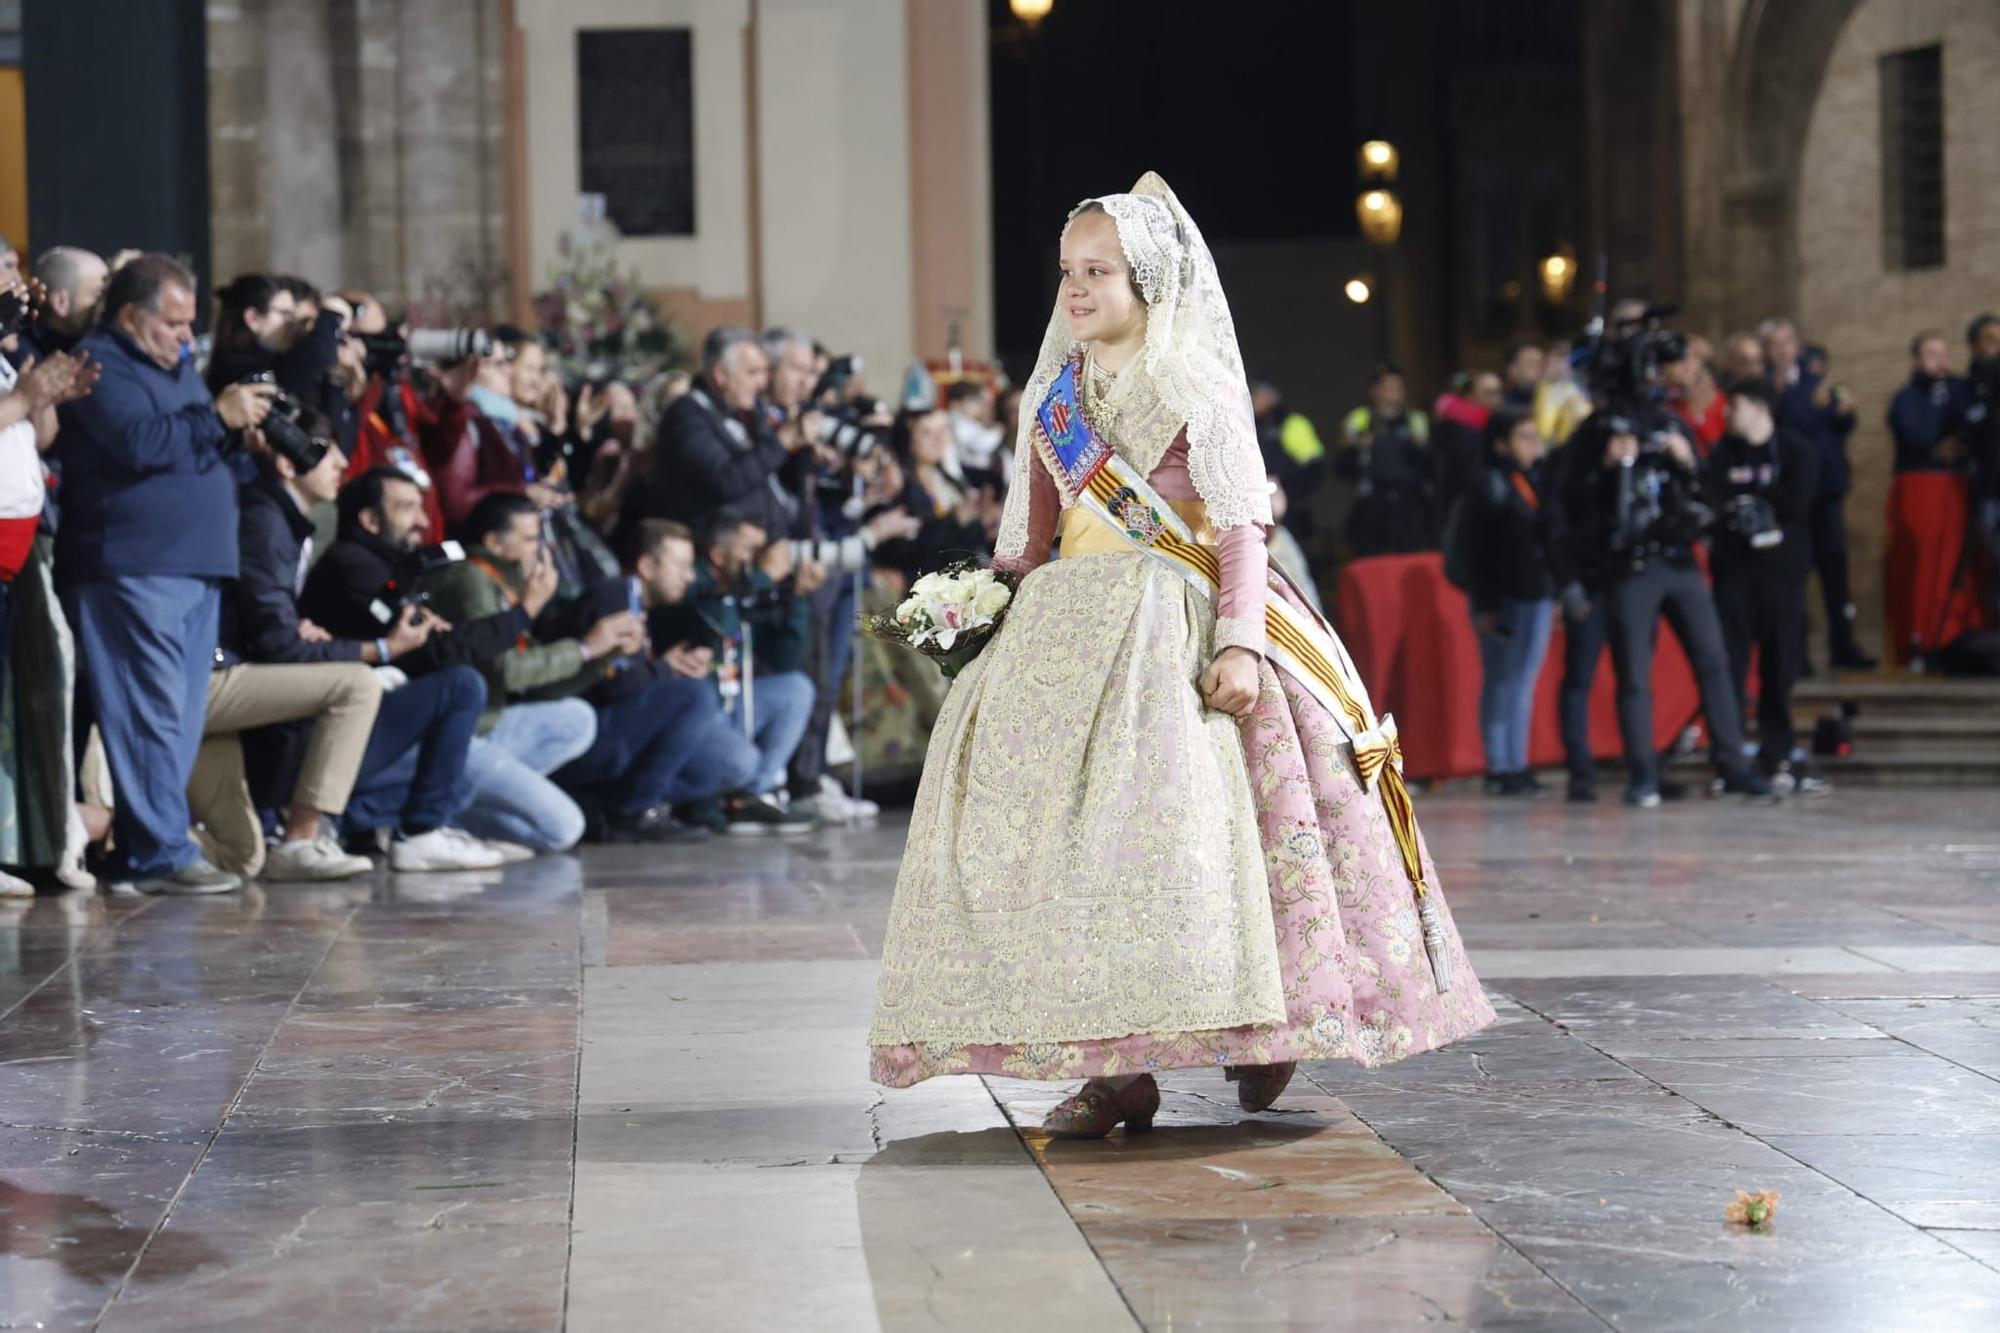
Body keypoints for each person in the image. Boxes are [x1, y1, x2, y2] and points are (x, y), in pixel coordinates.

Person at [868, 173, 1494, 1135]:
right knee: (1070, 855)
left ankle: (1267, 1024)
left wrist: (1241, 644)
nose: (1076, 290)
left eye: (1098, 272)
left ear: (1147, 282)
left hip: (1179, 622)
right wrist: (977, 613)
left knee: (1207, 843)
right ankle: (1116, 1072)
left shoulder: (1193, 378)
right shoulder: (1054, 398)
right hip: (1063, 636)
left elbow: (1243, 525)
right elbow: (1029, 540)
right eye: (1068, 272)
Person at [56, 255, 276, 893]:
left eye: (189, 325)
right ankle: (159, 855)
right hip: (131, 566)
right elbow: (140, 443)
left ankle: (138, 851)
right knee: (148, 712)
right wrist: (218, 417)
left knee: (177, 718)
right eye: (174, 324)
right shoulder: (99, 364)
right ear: (130, 316)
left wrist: (235, 435)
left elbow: (187, 439)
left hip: (195, 567)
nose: (187, 337)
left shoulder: (173, 367)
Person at [225, 413, 502, 872]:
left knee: (465, 781)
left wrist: (302, 629)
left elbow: (277, 629)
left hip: (301, 714)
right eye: (324, 450)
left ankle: (360, 824)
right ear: (288, 465)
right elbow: (273, 643)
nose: (339, 461)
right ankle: (310, 834)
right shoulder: (274, 526)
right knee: (410, 685)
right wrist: (384, 650)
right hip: (273, 724)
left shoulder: (292, 525)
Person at [303, 470, 599, 854]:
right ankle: (419, 826)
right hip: (356, 737)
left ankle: (434, 805)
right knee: (462, 686)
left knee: (576, 719)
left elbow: (421, 636)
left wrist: (592, 655)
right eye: (408, 508)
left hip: (422, 728)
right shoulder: (354, 566)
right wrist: (530, 615)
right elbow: (457, 655)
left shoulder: (396, 571)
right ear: (370, 520)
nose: (424, 522)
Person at [1707, 379, 1822, 791]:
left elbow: (1794, 505)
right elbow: (1714, 504)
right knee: (1731, 666)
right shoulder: (1722, 454)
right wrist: (1746, 509)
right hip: (1736, 575)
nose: (1726, 413)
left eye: (1733, 404)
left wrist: (1752, 506)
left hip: (1782, 576)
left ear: (1758, 406)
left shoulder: (1797, 451)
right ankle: (1731, 758)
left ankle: (1777, 751)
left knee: (1780, 665)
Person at [688, 512, 820, 835]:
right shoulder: (696, 585)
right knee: (742, 760)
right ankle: (709, 798)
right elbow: (719, 616)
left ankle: (749, 798)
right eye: (749, 551)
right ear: (718, 555)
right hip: (700, 714)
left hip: (733, 703)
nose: (757, 560)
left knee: (796, 689)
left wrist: (798, 599)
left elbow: (784, 658)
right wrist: (761, 576)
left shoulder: (740, 588)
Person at [1762, 318, 1874, 670]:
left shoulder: (1818, 383)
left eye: (1787, 344)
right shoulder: (1766, 390)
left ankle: (1843, 645)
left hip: (1826, 493)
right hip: (1793, 499)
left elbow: (1839, 425)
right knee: (1795, 575)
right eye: (1775, 346)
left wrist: (1843, 412)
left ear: (1797, 347)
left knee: (1835, 572)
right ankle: (1798, 653)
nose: (1783, 351)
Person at [1462, 407, 1556, 796]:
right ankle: (1500, 765)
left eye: (1536, 436)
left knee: (1522, 681)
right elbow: (1479, 552)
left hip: (1537, 594)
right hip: (1504, 598)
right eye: (1524, 437)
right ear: (1502, 444)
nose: (1533, 444)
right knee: (1504, 681)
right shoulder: (1490, 485)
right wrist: (1486, 604)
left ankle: (1515, 762)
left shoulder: (1534, 479)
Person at [1884, 329, 1985, 665]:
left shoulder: (1960, 390)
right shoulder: (1905, 398)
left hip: (1957, 488)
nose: (1940, 362)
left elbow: (1973, 425)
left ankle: (1962, 635)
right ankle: (1924, 638)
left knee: (1962, 564)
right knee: (1925, 565)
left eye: (1943, 354)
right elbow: (1916, 434)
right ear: (1916, 360)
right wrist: (1938, 444)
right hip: (1921, 487)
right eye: (1931, 355)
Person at [1335, 364, 1433, 556]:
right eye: (1387, 387)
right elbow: (1341, 465)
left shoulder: (1416, 420)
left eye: (1398, 387)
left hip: (1409, 503)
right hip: (1371, 503)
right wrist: (1358, 448)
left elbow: (1429, 463)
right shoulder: (1358, 420)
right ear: (1374, 390)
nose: (1393, 393)